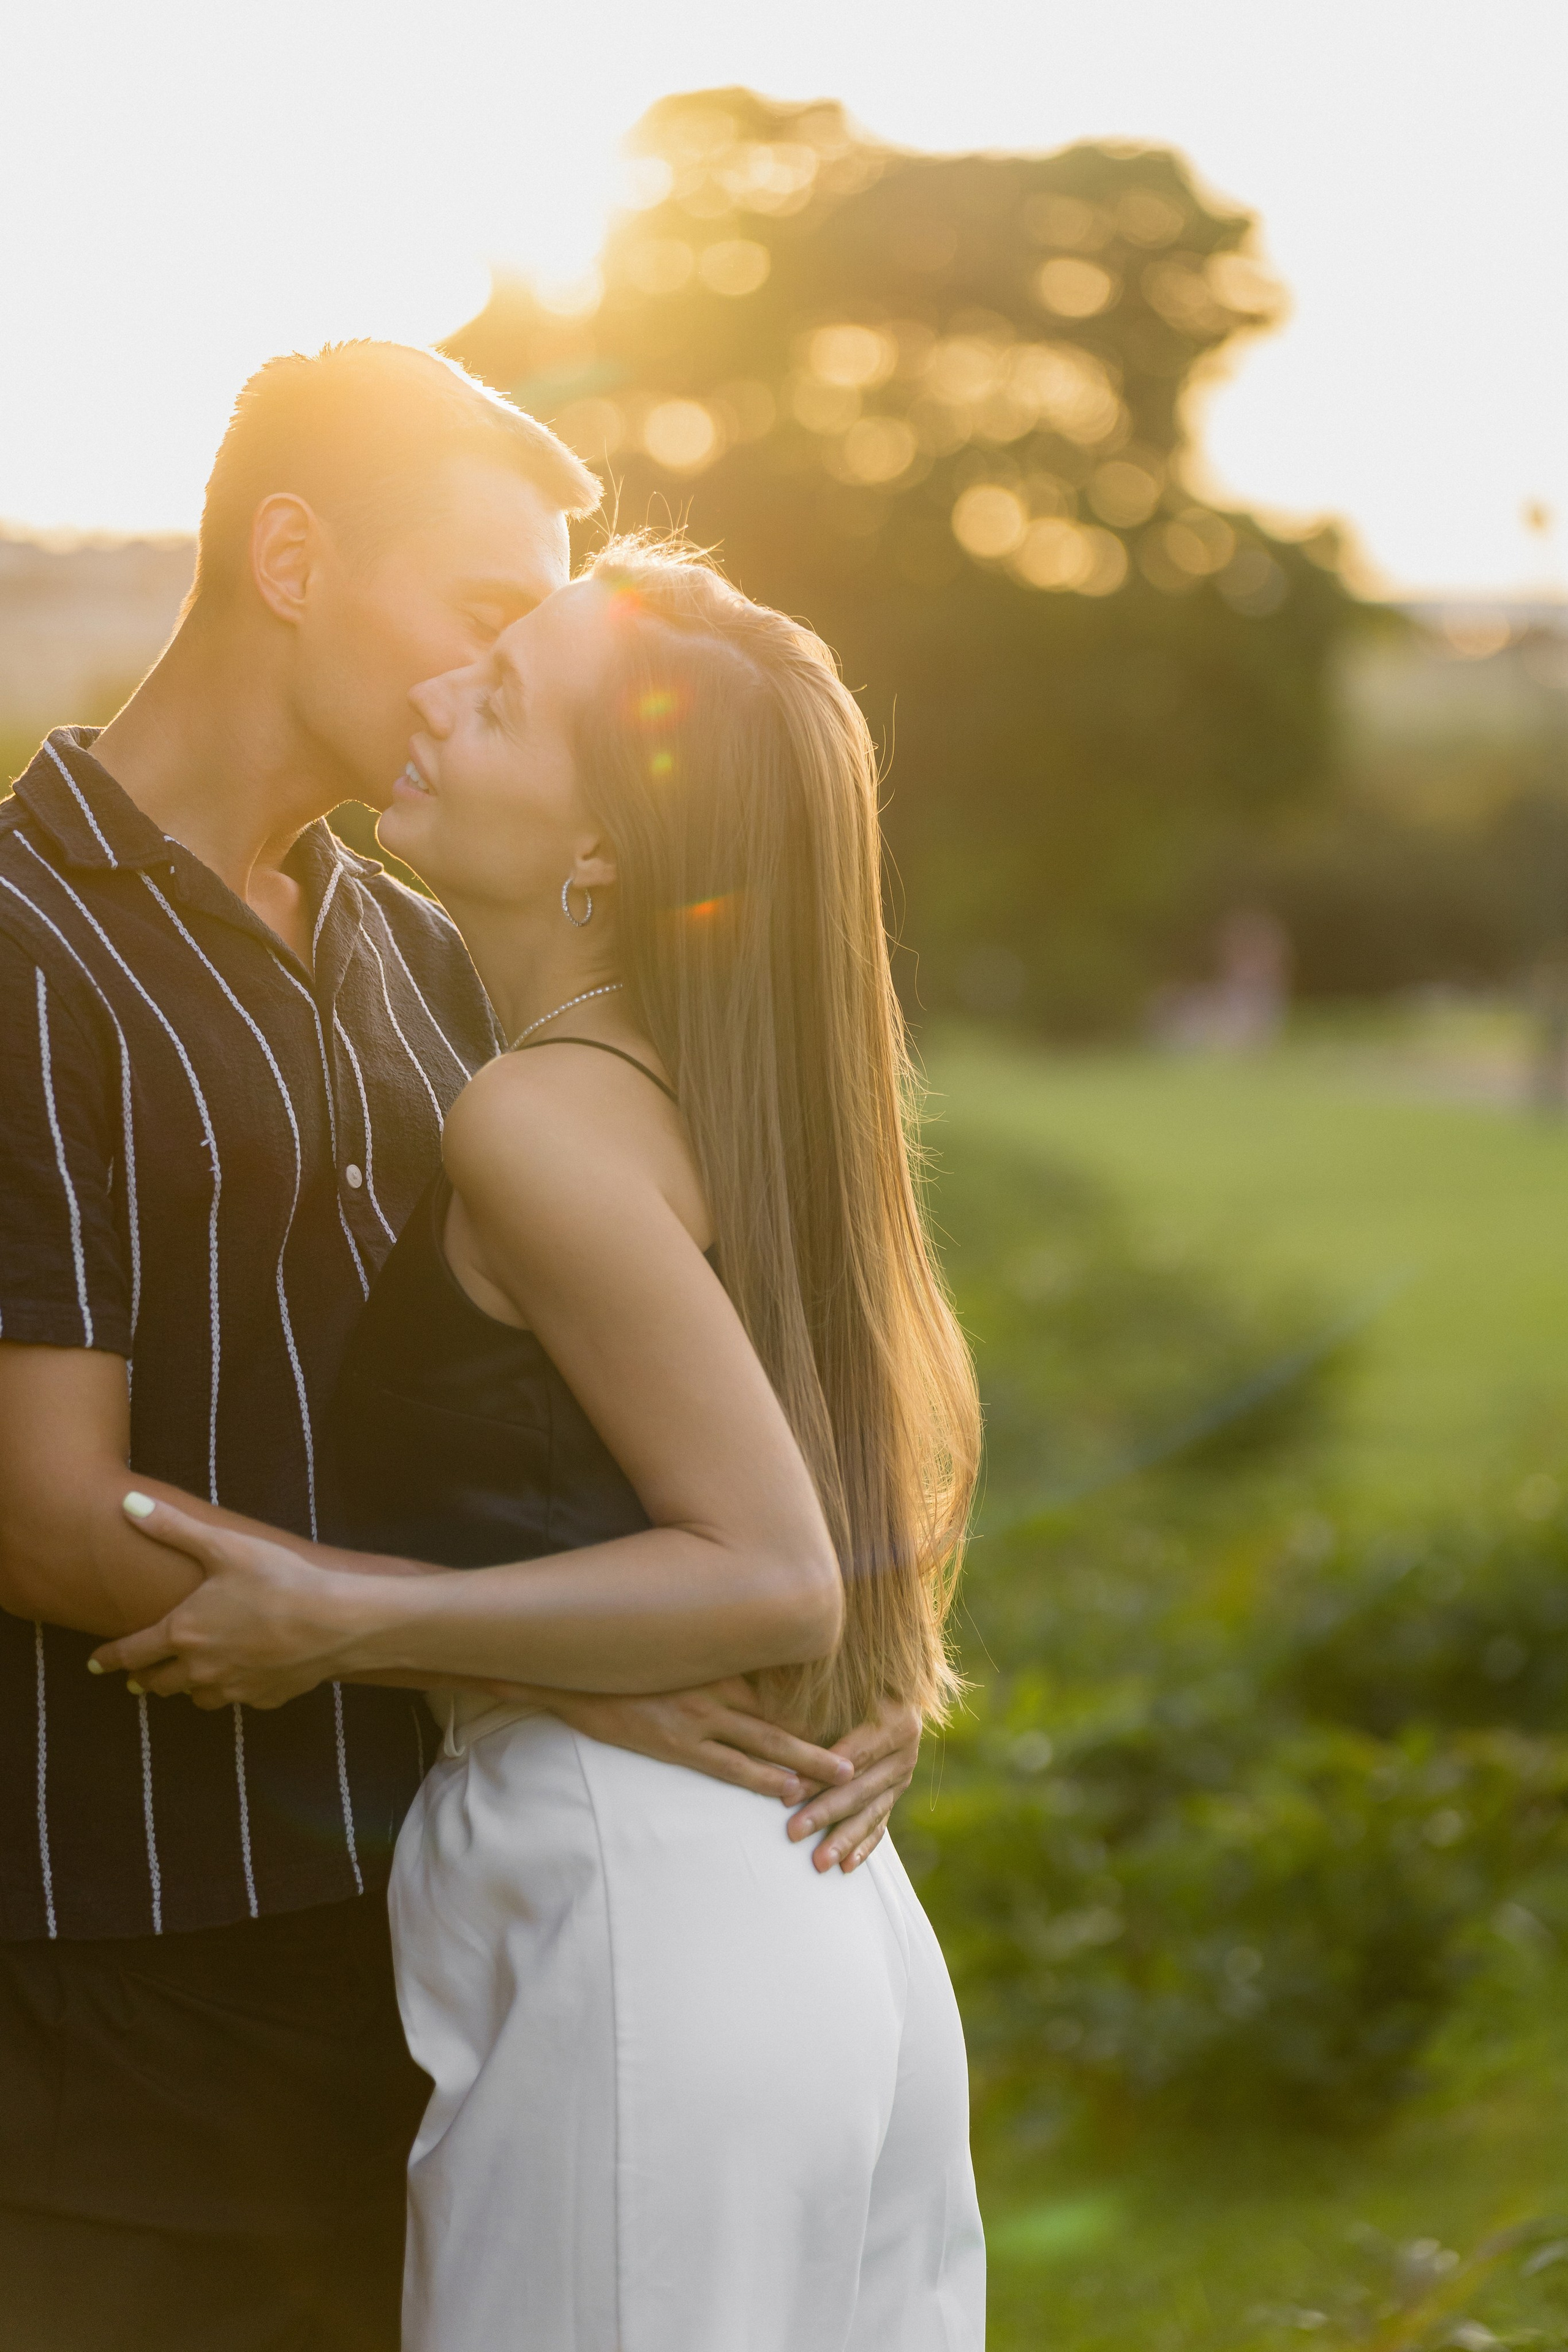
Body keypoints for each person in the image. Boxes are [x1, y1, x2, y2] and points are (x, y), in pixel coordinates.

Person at [0, 345, 922, 2352]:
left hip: (434, 1927)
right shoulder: (24, 941)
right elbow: (49, 1520)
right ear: (296, 556)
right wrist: (585, 1662)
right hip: (130, 1967)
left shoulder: (426, 947)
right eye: (485, 618)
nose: (462, 691)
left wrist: (811, 1657)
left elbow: (627, 1384)